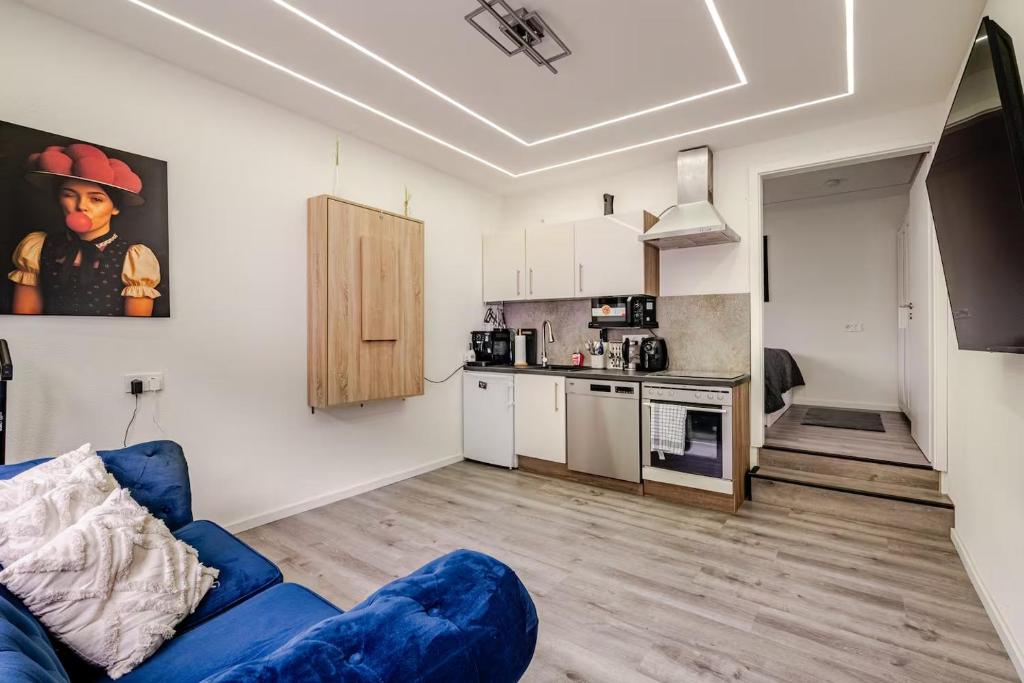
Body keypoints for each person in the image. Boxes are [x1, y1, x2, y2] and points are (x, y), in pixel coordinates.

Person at [8, 142, 160, 316]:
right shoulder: (36, 248)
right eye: (69, 195)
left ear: (115, 207)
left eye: (96, 199)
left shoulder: (134, 258)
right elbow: (25, 319)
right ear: (59, 199)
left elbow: (136, 331)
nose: (81, 206)